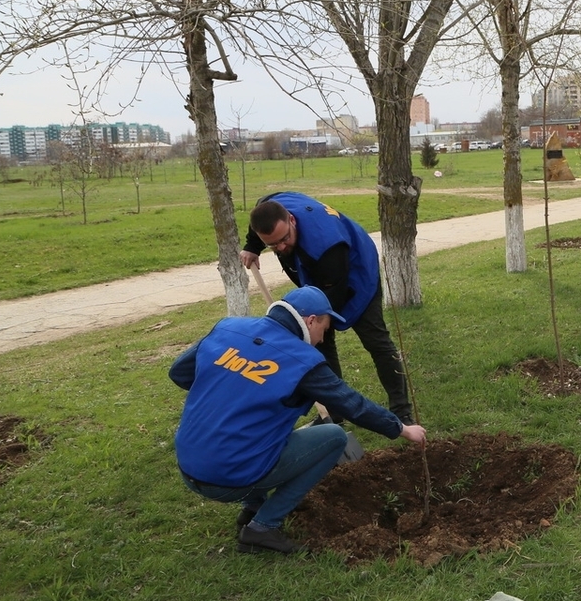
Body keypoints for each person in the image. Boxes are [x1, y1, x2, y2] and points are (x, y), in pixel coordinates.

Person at [170, 286, 427, 555]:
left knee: (265, 432)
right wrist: (401, 428)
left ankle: (252, 507)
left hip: (189, 467)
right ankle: (262, 527)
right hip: (228, 478)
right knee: (333, 437)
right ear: (310, 321)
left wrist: (233, 386)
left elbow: (179, 373)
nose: (320, 340)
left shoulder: (228, 328)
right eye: (324, 330)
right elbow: (352, 404)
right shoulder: (301, 361)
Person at [239, 192, 413, 425]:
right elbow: (260, 223)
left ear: (292, 220)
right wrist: (252, 246)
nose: (280, 247)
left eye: (284, 239)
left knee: (376, 340)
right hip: (315, 272)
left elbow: (335, 294)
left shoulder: (327, 245)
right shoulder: (268, 209)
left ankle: (402, 411)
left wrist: (317, 322)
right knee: (320, 345)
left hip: (356, 275)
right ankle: (334, 412)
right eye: (272, 244)